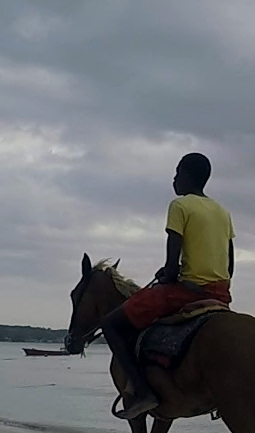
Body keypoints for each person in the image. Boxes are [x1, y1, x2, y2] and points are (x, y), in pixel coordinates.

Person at [101, 152, 235, 419]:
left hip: (186, 292)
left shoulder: (180, 206)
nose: (174, 179)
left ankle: (142, 390)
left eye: (177, 173)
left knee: (111, 324)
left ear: (187, 175)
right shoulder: (223, 211)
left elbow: (172, 268)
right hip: (221, 292)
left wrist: (166, 275)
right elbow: (230, 265)